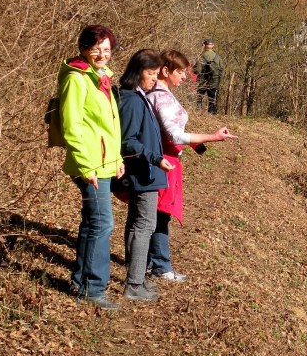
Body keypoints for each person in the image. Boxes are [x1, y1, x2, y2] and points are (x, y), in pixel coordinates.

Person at [145, 51, 238, 282]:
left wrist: (196, 145)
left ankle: (149, 262)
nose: (185, 77)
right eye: (181, 72)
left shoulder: (163, 94)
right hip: (164, 162)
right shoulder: (162, 97)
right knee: (160, 213)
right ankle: (160, 265)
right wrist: (212, 137)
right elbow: (174, 135)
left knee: (156, 213)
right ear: (166, 71)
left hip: (166, 160)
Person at [59, 25, 124, 311]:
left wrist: (117, 158)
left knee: (92, 223)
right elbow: (71, 126)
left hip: (104, 162)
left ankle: (81, 283)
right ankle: (91, 288)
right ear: (84, 48)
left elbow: (108, 124)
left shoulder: (101, 77)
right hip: (89, 164)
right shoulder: (77, 79)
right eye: (97, 48)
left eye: (107, 49)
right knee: (101, 223)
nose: (102, 54)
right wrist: (87, 166)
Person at [118, 49, 174, 304]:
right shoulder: (131, 100)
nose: (154, 78)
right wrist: (155, 158)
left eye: (155, 73)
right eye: (150, 73)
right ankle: (135, 283)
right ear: (136, 72)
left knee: (137, 224)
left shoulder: (140, 96)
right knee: (144, 225)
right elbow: (128, 141)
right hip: (145, 172)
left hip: (148, 171)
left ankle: (136, 278)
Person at [193, 39, 223, 114]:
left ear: (204, 45)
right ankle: (211, 114)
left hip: (202, 81)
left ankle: (198, 114)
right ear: (213, 45)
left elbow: (197, 71)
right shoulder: (218, 57)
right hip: (214, 81)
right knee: (212, 99)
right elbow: (221, 69)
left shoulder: (201, 56)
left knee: (199, 98)